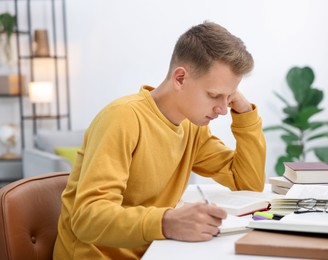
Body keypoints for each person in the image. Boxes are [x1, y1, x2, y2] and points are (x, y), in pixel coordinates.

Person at [53, 21, 266, 259]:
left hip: (155, 252)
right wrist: (166, 222)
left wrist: (245, 115)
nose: (223, 109)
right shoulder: (122, 118)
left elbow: (248, 183)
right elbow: (87, 218)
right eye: (214, 95)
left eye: (229, 97)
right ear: (180, 78)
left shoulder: (191, 127)